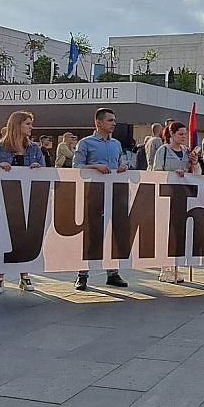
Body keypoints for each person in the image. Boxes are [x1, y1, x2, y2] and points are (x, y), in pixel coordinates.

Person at [73, 108, 130, 289]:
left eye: (114, 120)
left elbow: (121, 161)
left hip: (114, 194)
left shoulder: (116, 144)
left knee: (114, 233)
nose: (114, 123)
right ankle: (82, 274)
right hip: (93, 194)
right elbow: (76, 167)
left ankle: (112, 273)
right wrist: (95, 167)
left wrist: (123, 166)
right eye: (110, 120)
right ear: (99, 123)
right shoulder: (85, 143)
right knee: (91, 234)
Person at [0, 110, 43, 293]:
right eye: (27, 123)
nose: (31, 127)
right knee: (3, 237)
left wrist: (37, 168)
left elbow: (46, 170)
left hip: (27, 199)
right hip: (4, 199)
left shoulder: (34, 149)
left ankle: (24, 275)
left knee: (24, 238)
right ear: (17, 124)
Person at [152, 121, 201, 282]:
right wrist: (173, 173)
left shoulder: (187, 152)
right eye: (180, 134)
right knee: (168, 232)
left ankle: (179, 266)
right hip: (168, 196)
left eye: (185, 134)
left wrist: (194, 162)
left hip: (184, 196)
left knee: (181, 232)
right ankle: (167, 269)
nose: (183, 137)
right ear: (171, 134)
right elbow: (156, 173)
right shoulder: (163, 151)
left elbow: (196, 174)